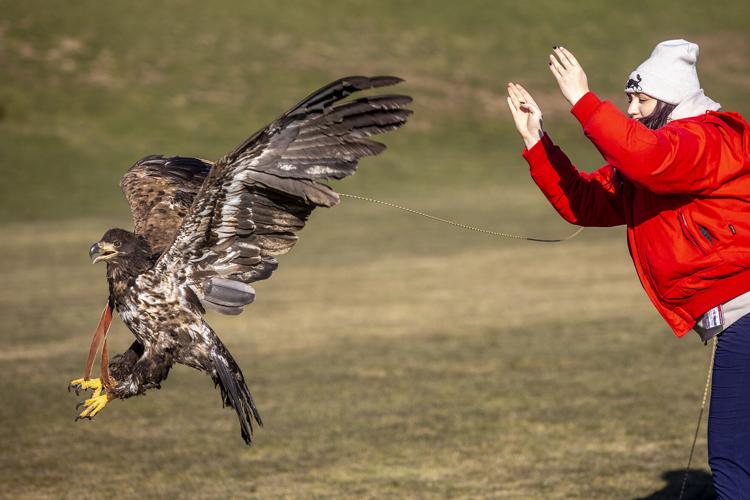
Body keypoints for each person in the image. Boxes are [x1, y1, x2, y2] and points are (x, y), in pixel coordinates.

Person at [506, 40, 750, 498]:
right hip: (738, 320)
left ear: (672, 100)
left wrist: (583, 100)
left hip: (748, 317)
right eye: (629, 100)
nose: (632, 110)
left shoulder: (709, 138)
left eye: (640, 100)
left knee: (735, 467)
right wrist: (536, 140)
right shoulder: (652, 156)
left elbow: (653, 160)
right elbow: (585, 202)